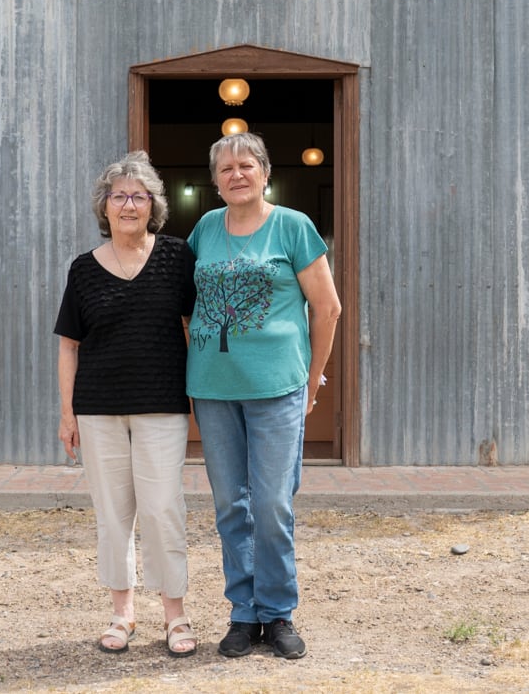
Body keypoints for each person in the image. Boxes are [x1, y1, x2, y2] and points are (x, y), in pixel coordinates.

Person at [187, 131, 342, 660]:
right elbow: (186, 301)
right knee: (231, 504)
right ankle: (242, 613)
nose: (236, 174)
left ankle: (277, 613)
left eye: (246, 164)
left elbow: (328, 309)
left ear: (265, 172)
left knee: (272, 504)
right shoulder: (206, 229)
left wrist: (312, 380)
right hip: (213, 390)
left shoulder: (293, 227)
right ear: (214, 182)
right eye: (225, 168)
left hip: (278, 387)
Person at [53, 152, 199, 657]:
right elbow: (69, 344)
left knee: (162, 508)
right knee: (113, 513)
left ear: (153, 205)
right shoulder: (83, 269)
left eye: (139, 196)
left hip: (162, 403)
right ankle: (122, 613)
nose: (129, 204)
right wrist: (67, 413)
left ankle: (175, 617)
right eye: (120, 196)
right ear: (105, 207)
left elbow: (193, 327)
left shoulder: (177, 257)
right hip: (98, 408)